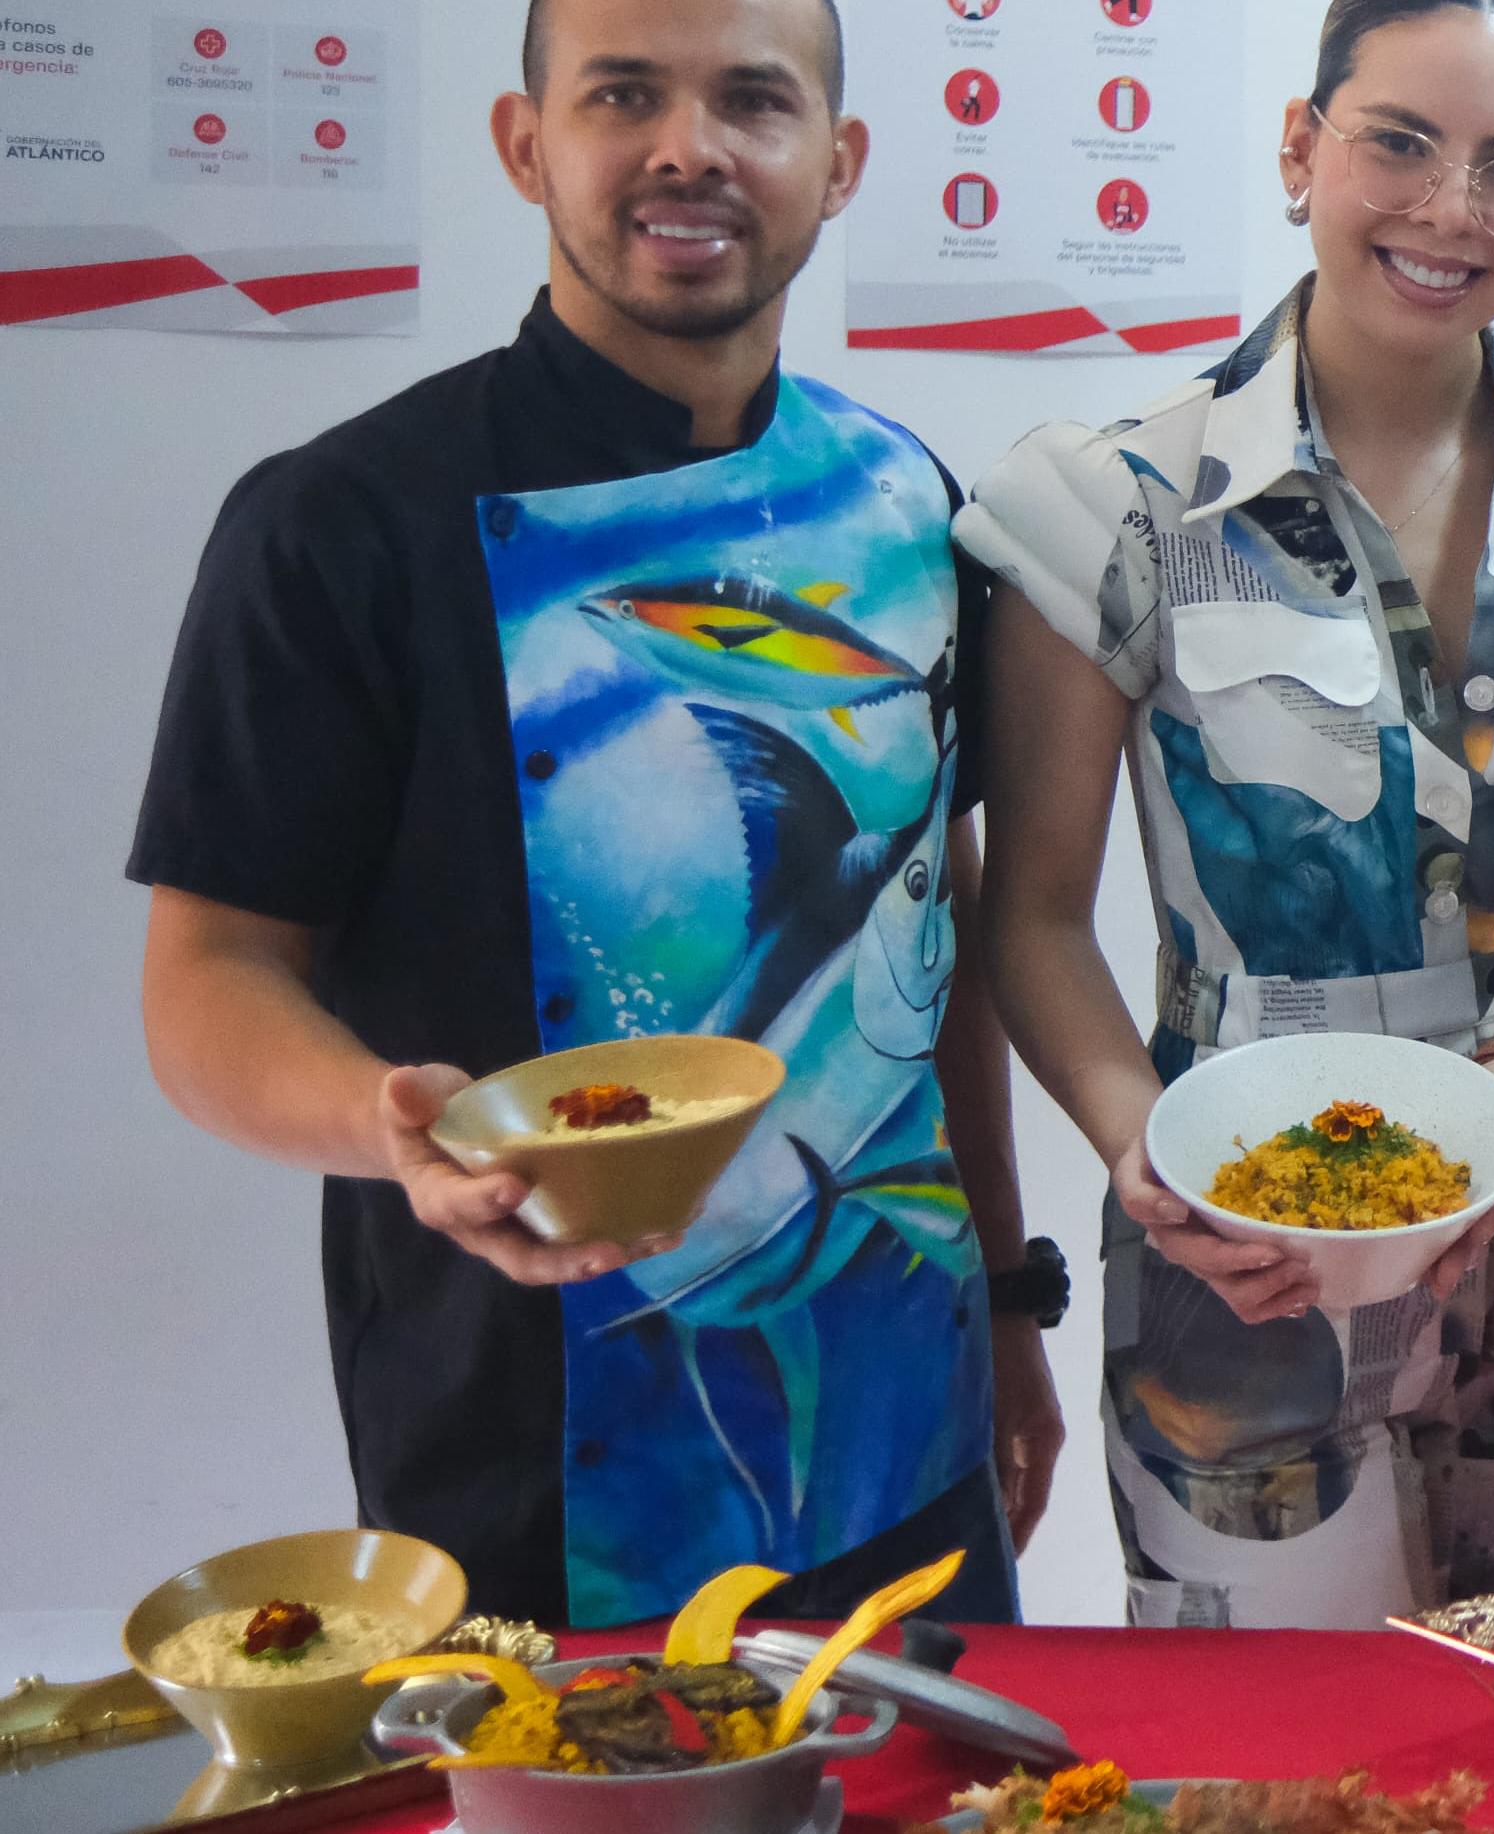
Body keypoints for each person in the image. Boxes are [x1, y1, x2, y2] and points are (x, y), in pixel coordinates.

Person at [129, 0, 1058, 1628]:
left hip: (903, 1427)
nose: (687, 147)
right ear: (525, 142)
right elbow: (207, 977)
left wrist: (1001, 1293)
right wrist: (391, 1129)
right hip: (521, 1458)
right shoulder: (338, 524)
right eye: (624, 94)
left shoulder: (903, 494)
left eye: (752, 103)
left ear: (836, 165)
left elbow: (938, 912)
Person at [955, 0, 1494, 1626]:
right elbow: (1032, 910)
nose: (1451, 211)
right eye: (1398, 141)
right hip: (1233, 1241)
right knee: (1262, 1757)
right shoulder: (1113, 499)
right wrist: (1137, 1151)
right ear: (1300, 147)